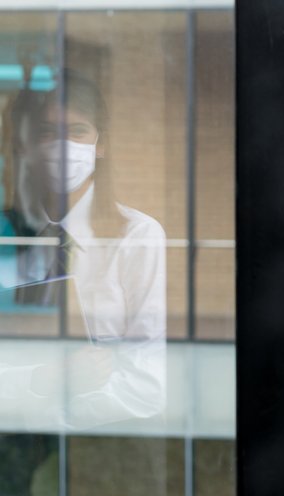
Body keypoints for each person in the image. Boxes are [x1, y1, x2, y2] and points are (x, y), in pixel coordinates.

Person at [0, 69, 167, 431]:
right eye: (47, 133)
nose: (62, 146)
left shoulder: (137, 237)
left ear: (100, 143)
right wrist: (47, 380)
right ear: (27, 145)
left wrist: (43, 411)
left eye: (77, 131)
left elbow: (146, 387)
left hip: (99, 449)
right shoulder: (4, 235)